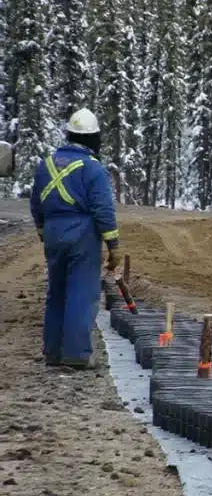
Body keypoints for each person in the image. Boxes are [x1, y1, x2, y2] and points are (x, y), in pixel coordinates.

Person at [29, 108, 123, 369]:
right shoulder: (92, 168)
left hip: (53, 233)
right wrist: (113, 244)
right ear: (93, 138)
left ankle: (53, 352)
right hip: (82, 234)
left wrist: (42, 232)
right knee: (81, 293)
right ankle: (77, 354)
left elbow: (36, 203)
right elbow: (103, 209)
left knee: (56, 292)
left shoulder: (46, 164)